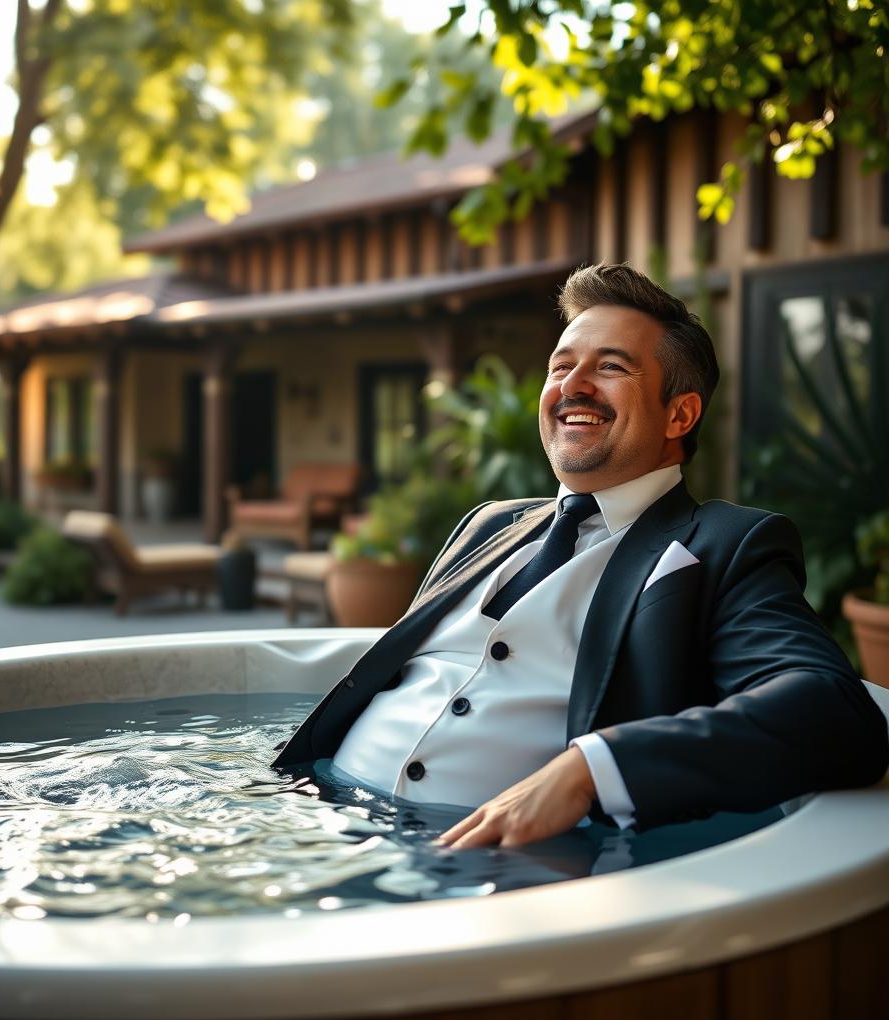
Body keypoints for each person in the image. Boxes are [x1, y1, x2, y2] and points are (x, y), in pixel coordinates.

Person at [273, 263, 888, 848]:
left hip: (486, 867)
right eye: (560, 366)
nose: (571, 386)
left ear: (681, 413)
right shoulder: (489, 524)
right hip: (306, 815)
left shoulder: (725, 546)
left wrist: (591, 770)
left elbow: (834, 714)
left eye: (611, 367)